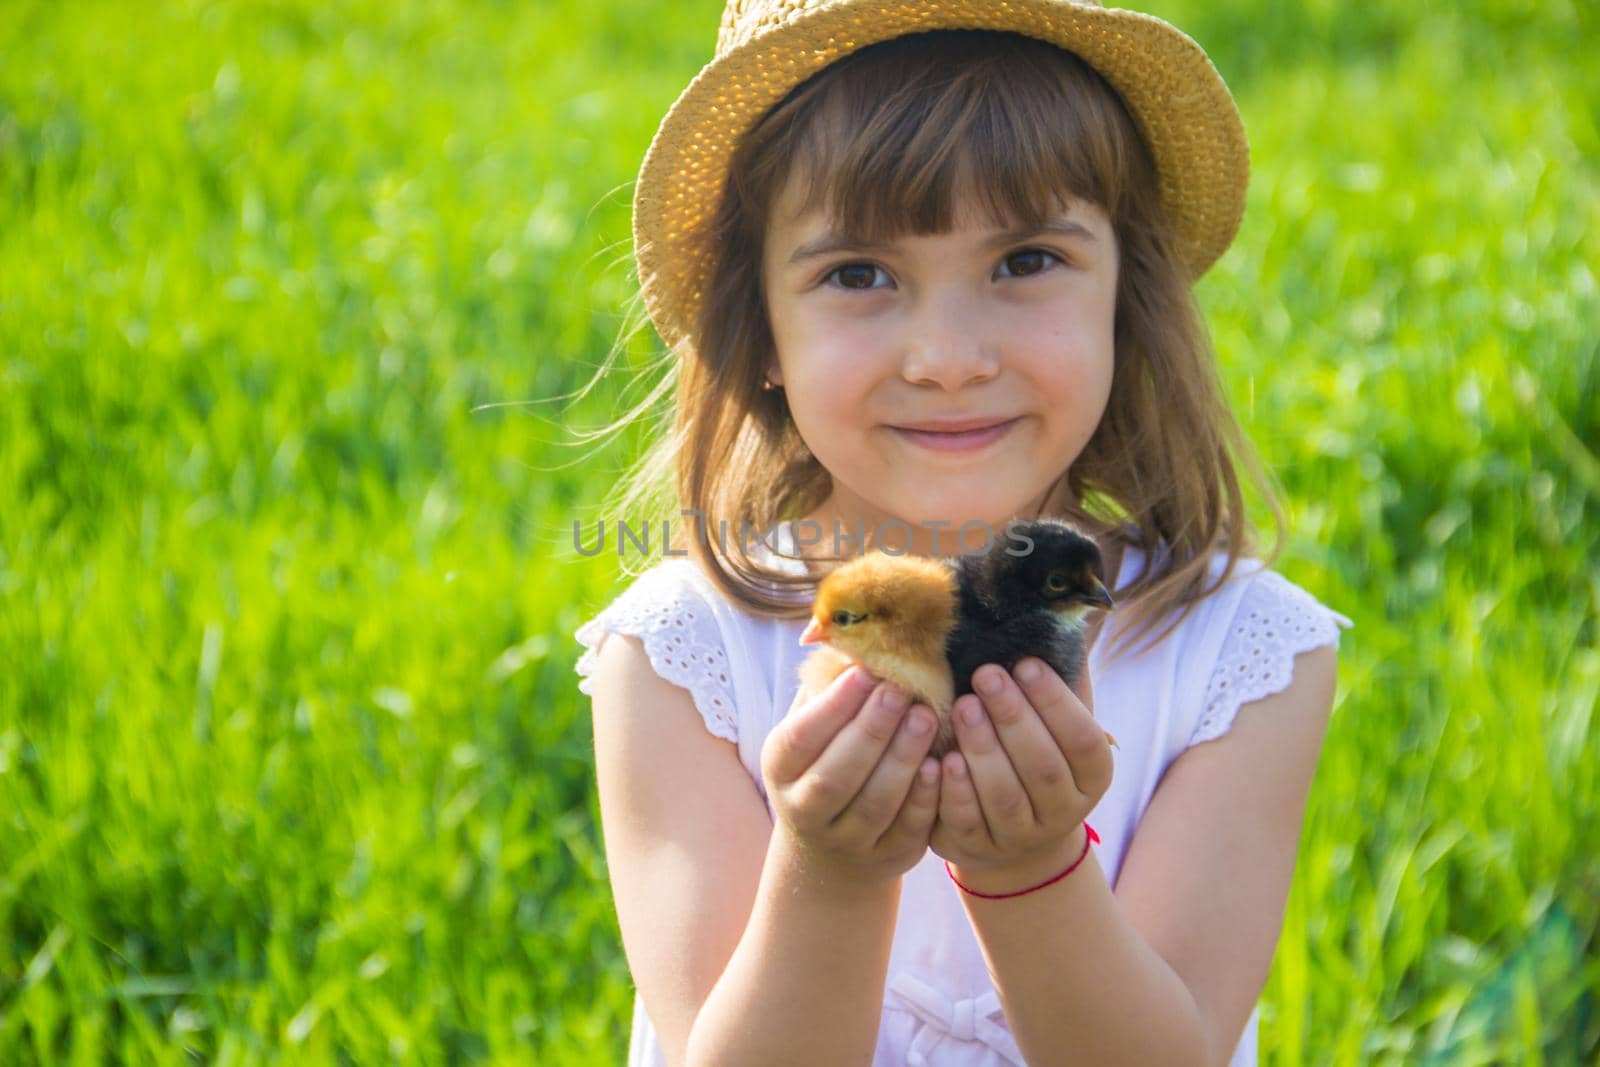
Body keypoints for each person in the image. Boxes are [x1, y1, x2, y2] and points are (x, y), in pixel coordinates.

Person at [572, 2, 1353, 1064]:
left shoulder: (1235, 652)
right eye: (858, 274)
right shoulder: (680, 656)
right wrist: (831, 868)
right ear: (759, 331)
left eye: (1025, 260)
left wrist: (1028, 865)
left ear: (1125, 301)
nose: (947, 356)